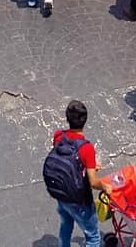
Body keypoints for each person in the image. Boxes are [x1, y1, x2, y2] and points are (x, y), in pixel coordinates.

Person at [45, 99, 102, 247]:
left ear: (67, 118)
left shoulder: (58, 136)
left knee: (66, 226)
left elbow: (67, 158)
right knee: (93, 237)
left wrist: (88, 167)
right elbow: (94, 183)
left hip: (61, 194)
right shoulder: (87, 148)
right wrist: (106, 187)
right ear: (85, 120)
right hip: (79, 200)